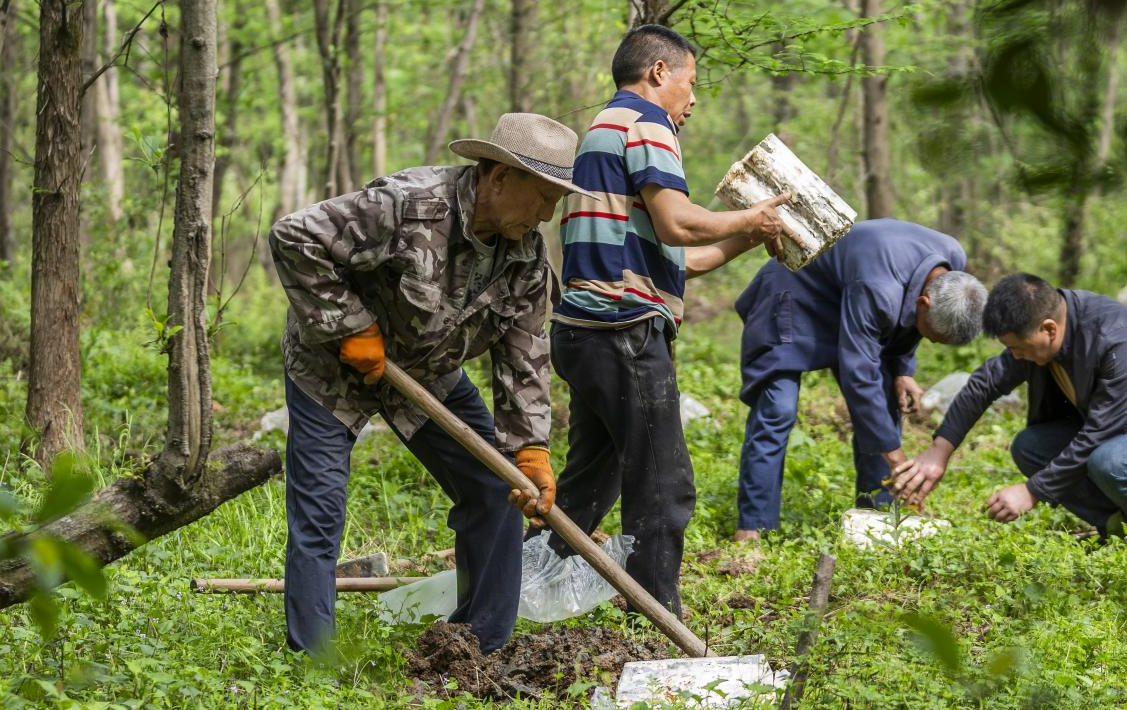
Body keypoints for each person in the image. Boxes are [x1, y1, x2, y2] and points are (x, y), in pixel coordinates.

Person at [269, 112, 589, 654]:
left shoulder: (527, 259)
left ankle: (477, 645)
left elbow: (524, 358)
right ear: (498, 177)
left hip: (426, 373)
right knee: (320, 512)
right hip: (330, 370)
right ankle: (313, 659)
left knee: (497, 486)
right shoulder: (408, 204)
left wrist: (530, 449)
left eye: (556, 202)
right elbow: (295, 236)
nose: (545, 214)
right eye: (542, 197)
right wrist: (350, 327)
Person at [529, 24, 803, 617]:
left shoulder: (603, 130)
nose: (693, 99)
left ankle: (522, 581)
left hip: (585, 332)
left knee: (589, 482)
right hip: (622, 330)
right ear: (659, 72)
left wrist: (752, 234)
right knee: (663, 482)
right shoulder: (647, 123)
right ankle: (657, 617)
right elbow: (679, 223)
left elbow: (683, 257)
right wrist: (749, 216)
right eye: (691, 82)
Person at [891, 273, 1127, 551]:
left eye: (1018, 348)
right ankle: (1122, 526)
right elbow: (986, 383)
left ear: (1049, 329)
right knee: (1031, 447)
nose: (1015, 356)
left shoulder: (1120, 339)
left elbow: (1101, 432)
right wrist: (940, 451)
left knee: (1113, 461)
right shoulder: (1046, 330)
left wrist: (1032, 491)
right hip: (1122, 434)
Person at [734, 219, 988, 541]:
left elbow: (905, 326)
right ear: (924, 303)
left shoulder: (953, 264)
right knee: (778, 409)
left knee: (885, 403)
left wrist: (902, 370)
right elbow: (860, 374)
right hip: (794, 294)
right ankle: (753, 527)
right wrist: (895, 457)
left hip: (852, 296)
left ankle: (877, 517)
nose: (932, 342)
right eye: (933, 336)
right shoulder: (879, 287)